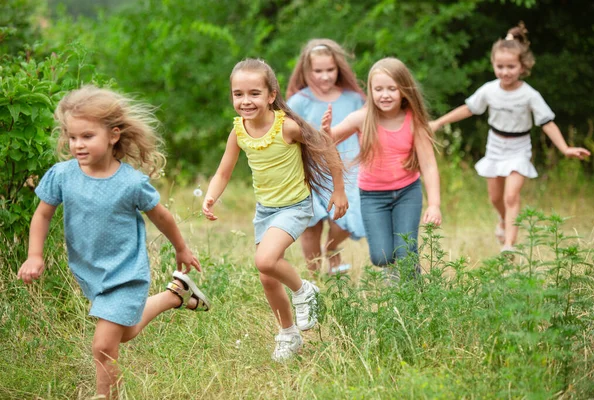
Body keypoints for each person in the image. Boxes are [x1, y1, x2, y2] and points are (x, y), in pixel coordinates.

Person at [17, 85, 210, 399]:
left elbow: (162, 217)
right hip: (91, 272)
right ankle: (175, 295)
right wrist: (34, 255)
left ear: (113, 135)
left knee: (103, 345)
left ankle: (106, 397)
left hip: (126, 272)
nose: (77, 144)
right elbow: (42, 215)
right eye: (72, 136)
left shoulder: (131, 183)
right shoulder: (62, 175)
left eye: (87, 136)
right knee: (126, 332)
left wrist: (181, 247)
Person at [202, 58, 348, 361]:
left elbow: (326, 147)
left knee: (265, 260)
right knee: (267, 276)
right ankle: (287, 334)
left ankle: (304, 290)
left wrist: (339, 189)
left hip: (294, 208)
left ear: (271, 95)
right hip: (265, 210)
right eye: (238, 94)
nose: (245, 101)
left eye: (254, 93)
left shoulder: (288, 127)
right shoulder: (239, 132)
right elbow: (223, 172)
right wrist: (211, 196)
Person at [429, 23, 590, 252]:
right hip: (495, 146)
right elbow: (468, 108)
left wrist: (565, 148)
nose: (505, 72)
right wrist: (438, 122)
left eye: (511, 66)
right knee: (496, 198)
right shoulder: (489, 90)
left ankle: (509, 245)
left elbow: (547, 122)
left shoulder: (529, 95)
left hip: (519, 147)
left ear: (523, 67)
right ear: (493, 65)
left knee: (511, 196)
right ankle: (504, 221)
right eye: (500, 66)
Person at [322, 57, 442, 275]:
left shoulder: (414, 121)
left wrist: (434, 204)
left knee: (406, 250)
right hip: (373, 196)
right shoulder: (362, 118)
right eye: (378, 89)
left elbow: (429, 165)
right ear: (370, 90)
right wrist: (326, 131)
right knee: (381, 257)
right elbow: (328, 141)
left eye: (391, 89)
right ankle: (394, 274)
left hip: (407, 192)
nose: (384, 95)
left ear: (404, 90)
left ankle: (412, 297)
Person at [287, 38, 366, 276]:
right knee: (311, 225)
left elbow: (366, 130)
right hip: (310, 171)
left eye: (330, 70)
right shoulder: (299, 101)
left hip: (348, 168)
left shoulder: (353, 99)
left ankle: (331, 250)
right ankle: (315, 276)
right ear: (306, 71)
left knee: (346, 219)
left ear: (339, 69)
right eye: (318, 71)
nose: (325, 76)